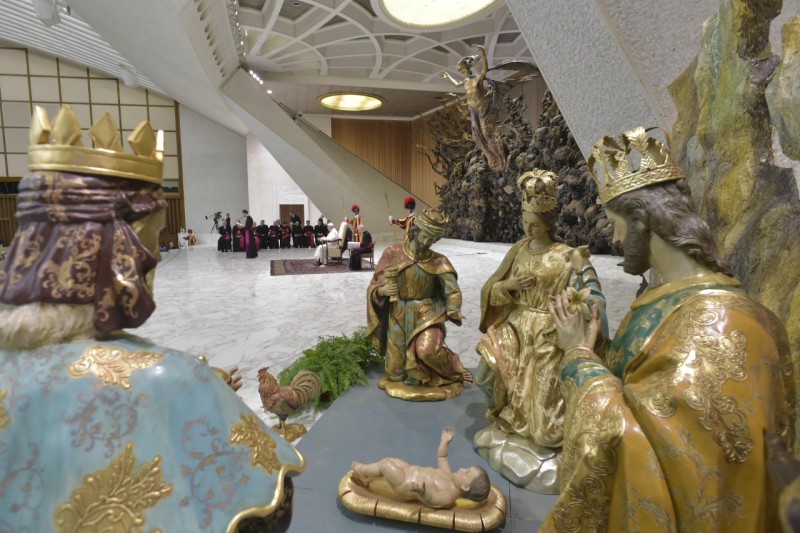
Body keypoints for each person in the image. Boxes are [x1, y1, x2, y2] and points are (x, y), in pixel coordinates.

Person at [0, 106, 303, 532]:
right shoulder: (171, 380)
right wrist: (201, 394)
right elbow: (271, 510)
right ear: (115, 253)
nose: (156, 257)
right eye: (152, 238)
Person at [540, 126, 796, 531]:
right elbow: (641, 385)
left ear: (642, 220)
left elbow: (640, 444)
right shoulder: (667, 298)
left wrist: (578, 359)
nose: (615, 239)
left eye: (615, 224)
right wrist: (595, 346)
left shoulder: (717, 326)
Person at [472, 169, 607, 493]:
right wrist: (509, 286)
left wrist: (575, 305)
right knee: (487, 372)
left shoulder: (568, 256)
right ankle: (507, 418)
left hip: (548, 333)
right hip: (515, 326)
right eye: (524, 221)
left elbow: (591, 295)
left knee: (544, 421)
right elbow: (492, 289)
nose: (528, 229)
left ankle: (540, 435)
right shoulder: (519, 249)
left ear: (548, 223)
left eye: (534, 223)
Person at [366, 207, 472, 400]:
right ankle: (410, 375)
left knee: (427, 351)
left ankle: (454, 367)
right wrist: (381, 291)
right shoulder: (393, 252)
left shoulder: (439, 261)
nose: (425, 242)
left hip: (426, 313)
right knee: (394, 373)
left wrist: (453, 308)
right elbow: (375, 284)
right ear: (415, 231)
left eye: (431, 240)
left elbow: (453, 291)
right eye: (423, 236)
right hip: (398, 313)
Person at [350, 427, 490, 509]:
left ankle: (362, 471)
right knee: (390, 460)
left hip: (404, 484)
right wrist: (444, 442)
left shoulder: (448, 497)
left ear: (465, 487)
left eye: (466, 472)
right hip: (408, 470)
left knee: (385, 465)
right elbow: (442, 457)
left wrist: (423, 492)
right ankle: (369, 477)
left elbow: (432, 501)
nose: (462, 468)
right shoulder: (449, 476)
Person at [441, 44, 505, 172]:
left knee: (487, 133)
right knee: (477, 137)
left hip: (482, 107)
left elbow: (485, 69)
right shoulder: (465, 82)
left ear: (470, 69)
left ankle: (500, 158)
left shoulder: (477, 79)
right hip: (472, 109)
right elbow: (456, 85)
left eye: (466, 70)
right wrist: (448, 77)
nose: (465, 72)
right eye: (463, 71)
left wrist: (483, 54)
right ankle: (491, 159)